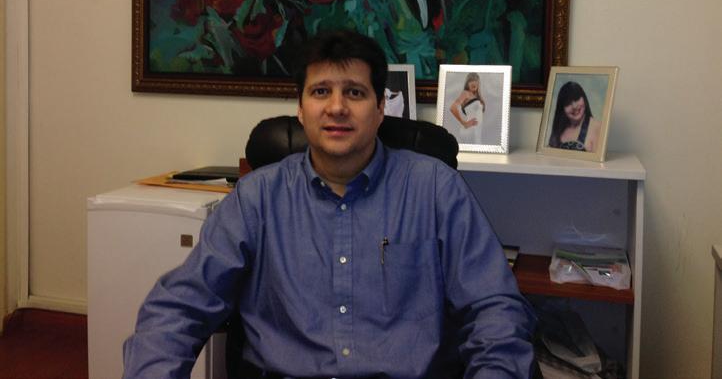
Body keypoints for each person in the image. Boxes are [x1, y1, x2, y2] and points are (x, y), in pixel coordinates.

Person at [122, 30, 537, 379]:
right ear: (301, 109)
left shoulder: (435, 189)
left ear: (380, 108)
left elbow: (495, 310)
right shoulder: (257, 198)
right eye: (321, 91)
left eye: (354, 92)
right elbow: (178, 309)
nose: (337, 107)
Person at [548, 81, 602, 152]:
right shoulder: (558, 129)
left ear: (584, 99)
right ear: (562, 108)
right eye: (568, 103)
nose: (574, 106)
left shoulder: (598, 127)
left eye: (576, 99)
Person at [449, 72, 486, 144]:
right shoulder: (466, 93)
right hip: (470, 131)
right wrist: (464, 123)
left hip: (477, 132)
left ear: (478, 83)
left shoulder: (477, 96)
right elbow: (453, 108)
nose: (473, 83)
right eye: (470, 80)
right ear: (467, 83)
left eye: (476, 80)